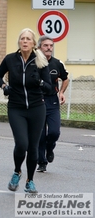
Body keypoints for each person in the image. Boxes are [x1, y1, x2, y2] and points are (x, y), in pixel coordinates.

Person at [0, 28, 51, 194]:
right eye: (22, 39)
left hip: (36, 108)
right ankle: (17, 171)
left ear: (33, 43)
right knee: (22, 144)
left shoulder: (40, 61)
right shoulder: (11, 59)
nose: (25, 41)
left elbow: (49, 88)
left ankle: (30, 181)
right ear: (19, 42)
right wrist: (4, 86)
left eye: (28, 39)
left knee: (33, 147)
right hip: (16, 107)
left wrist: (39, 82)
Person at [36, 35, 69, 172]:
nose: (49, 48)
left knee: (54, 132)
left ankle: (50, 149)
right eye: (46, 45)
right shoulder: (34, 63)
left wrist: (61, 92)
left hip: (52, 101)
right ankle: (42, 162)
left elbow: (65, 79)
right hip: (37, 101)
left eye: (51, 46)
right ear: (39, 47)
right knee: (41, 134)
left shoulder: (57, 63)